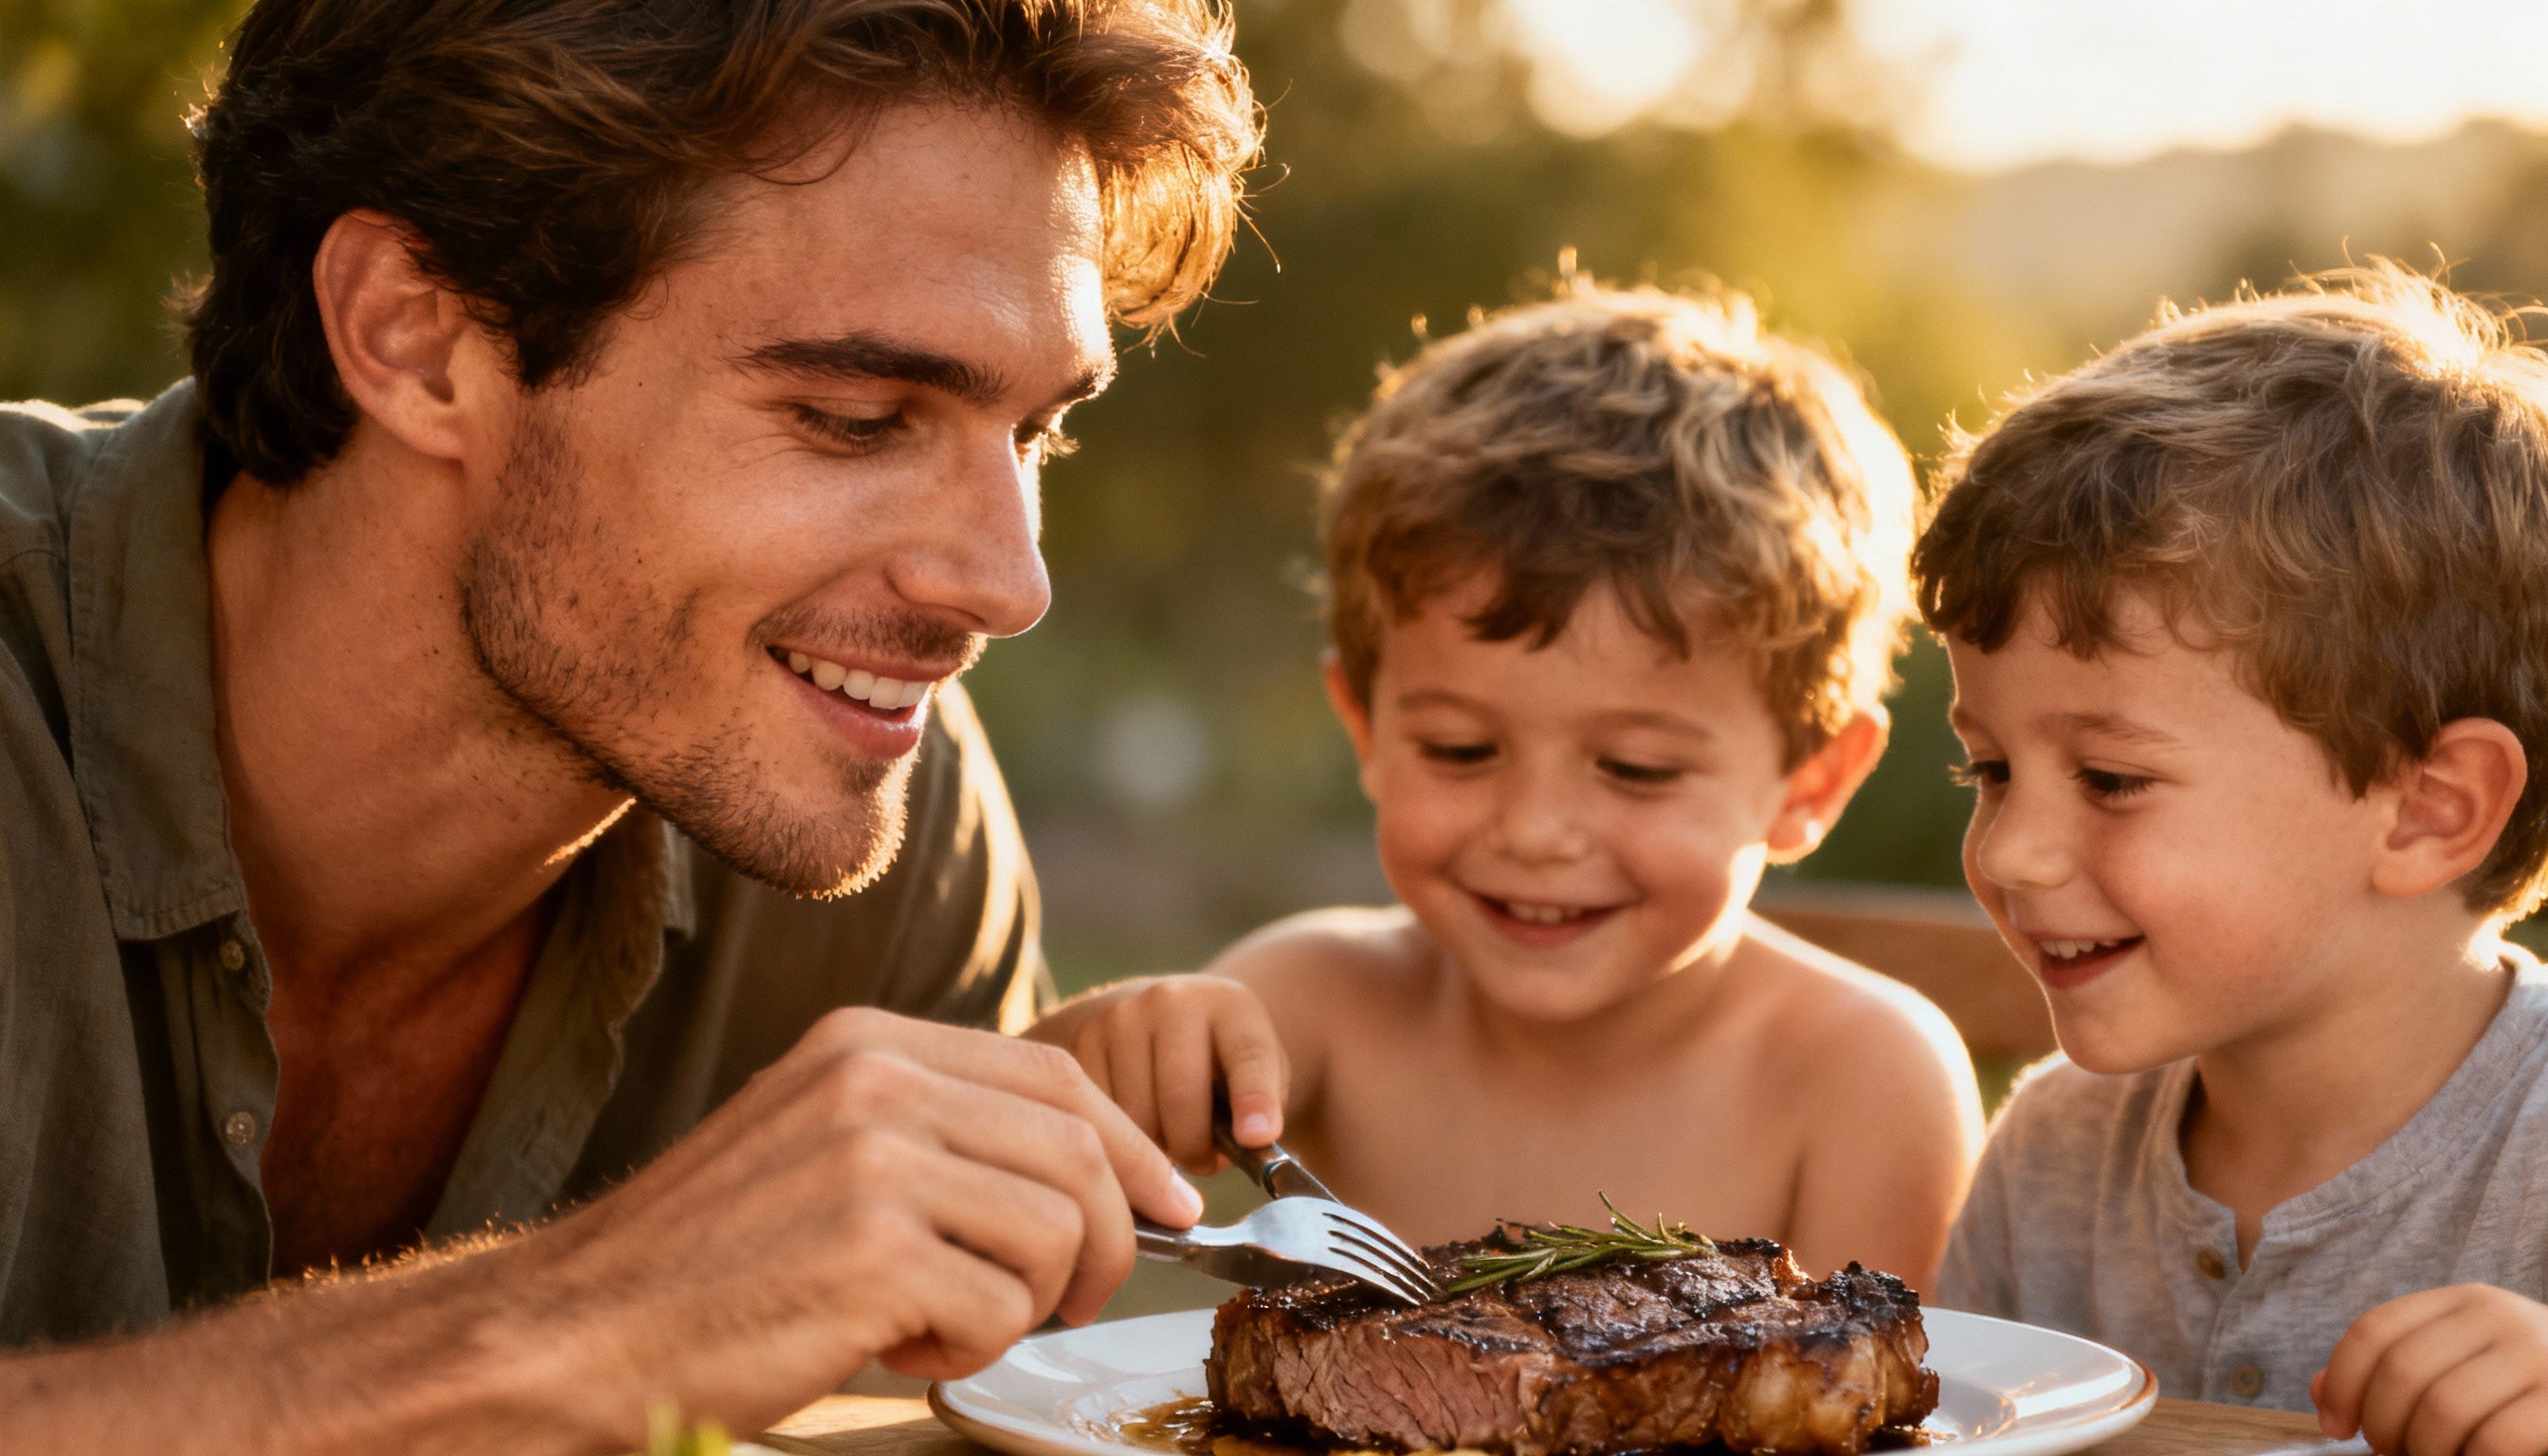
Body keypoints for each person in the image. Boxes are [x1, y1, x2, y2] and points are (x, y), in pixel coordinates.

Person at [0, 0, 1262, 1449]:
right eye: (855, 416)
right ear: (413, 337)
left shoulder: (869, 811)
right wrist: (581, 1320)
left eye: (1037, 433)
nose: (1008, 584)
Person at [1029, 281, 1983, 1288]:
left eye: (1636, 768)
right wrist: (1104, 1046)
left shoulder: (1865, 1080)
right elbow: (1030, 1147)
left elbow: (1875, 1407)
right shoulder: (1317, 998)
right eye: (1459, 749)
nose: (1535, 830)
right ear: (1365, 723)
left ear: (1813, 780)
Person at [1924, 264, 2548, 1456]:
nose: (2009, 850)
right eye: (1989, 769)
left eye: (2112, 780)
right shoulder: (2055, 1152)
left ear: (2429, 810)